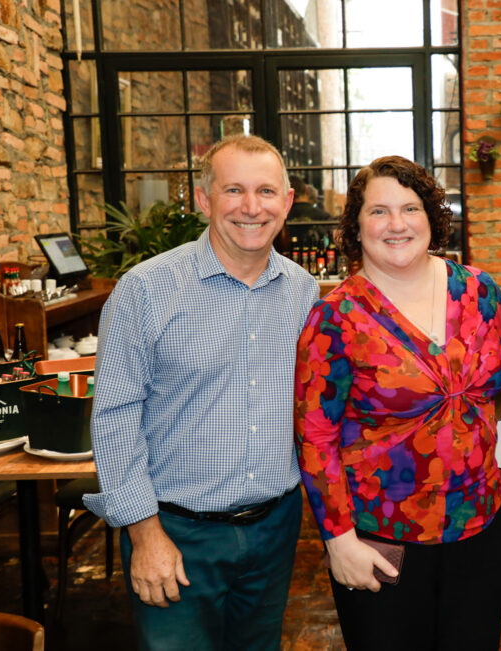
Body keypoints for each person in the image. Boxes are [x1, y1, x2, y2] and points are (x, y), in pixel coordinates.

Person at [84, 134, 318, 651]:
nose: (251, 208)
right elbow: (115, 417)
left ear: (287, 201)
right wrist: (143, 534)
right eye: (234, 190)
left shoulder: (305, 293)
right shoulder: (145, 290)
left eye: (266, 192)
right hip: (175, 532)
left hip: (275, 528)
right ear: (203, 198)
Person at [295, 155, 501, 650]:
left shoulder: (479, 291)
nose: (396, 224)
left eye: (410, 208)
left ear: (431, 217)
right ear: (356, 225)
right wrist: (338, 539)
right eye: (378, 211)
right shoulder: (336, 317)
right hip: (381, 539)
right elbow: (315, 435)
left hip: (479, 527)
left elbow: (500, 389)